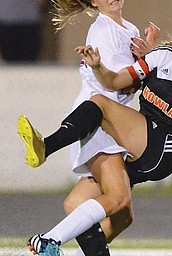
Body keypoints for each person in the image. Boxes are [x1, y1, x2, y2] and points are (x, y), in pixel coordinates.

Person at [18, 15, 172, 256]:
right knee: (83, 204)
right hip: (142, 139)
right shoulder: (163, 56)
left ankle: (45, 155)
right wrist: (97, 66)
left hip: (166, 149)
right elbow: (114, 82)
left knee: (100, 105)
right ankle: (70, 247)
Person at [23, 1, 159, 256]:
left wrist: (149, 55)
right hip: (96, 124)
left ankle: (58, 245)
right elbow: (119, 82)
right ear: (94, 2)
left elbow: (134, 78)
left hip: (110, 123)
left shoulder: (129, 29)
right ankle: (49, 241)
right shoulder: (102, 30)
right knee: (118, 199)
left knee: (118, 215)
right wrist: (150, 59)